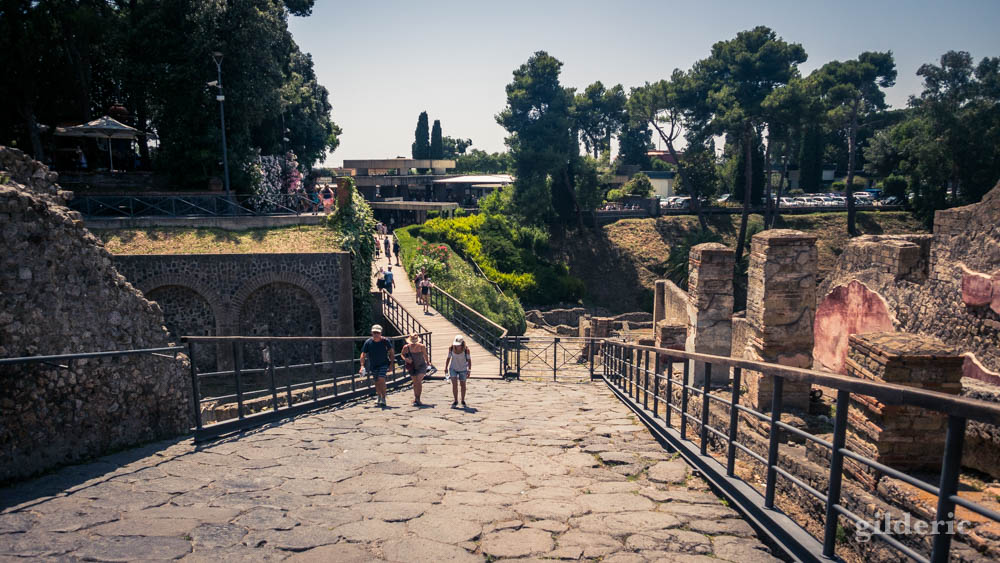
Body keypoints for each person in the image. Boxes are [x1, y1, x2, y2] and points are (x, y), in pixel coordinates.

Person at [359, 324, 395, 407]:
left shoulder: (385, 341)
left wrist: (391, 364)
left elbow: (391, 352)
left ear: (380, 333)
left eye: (377, 333)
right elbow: (363, 354)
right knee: (376, 381)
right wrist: (362, 366)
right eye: (374, 332)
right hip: (374, 364)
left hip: (384, 363)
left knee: (381, 378)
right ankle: (379, 396)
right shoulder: (368, 342)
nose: (376, 334)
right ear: (371, 333)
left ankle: (383, 398)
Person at [401, 334, 431, 406]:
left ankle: (418, 398)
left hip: (421, 365)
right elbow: (402, 354)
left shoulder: (422, 346)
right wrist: (406, 359)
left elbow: (425, 355)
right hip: (412, 366)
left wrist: (428, 362)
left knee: (418, 381)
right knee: (415, 383)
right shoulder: (406, 347)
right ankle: (416, 398)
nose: (414, 342)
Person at [444, 335, 471, 408]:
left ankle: (462, 399)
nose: (457, 346)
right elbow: (448, 358)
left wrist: (469, 370)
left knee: (463, 385)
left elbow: (469, 360)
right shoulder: (451, 348)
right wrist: (446, 367)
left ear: (462, 344)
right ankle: (455, 400)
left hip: (463, 369)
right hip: (453, 368)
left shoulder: (466, 350)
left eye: (458, 345)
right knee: (454, 384)